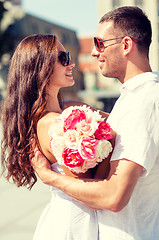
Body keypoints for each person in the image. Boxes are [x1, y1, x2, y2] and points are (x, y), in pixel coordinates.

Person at [32, 6, 159, 240]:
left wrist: (50, 177)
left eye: (100, 43)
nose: (92, 52)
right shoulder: (131, 98)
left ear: (126, 45)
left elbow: (113, 197)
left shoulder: (143, 102)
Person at [1, 34, 114, 240]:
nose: (71, 63)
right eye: (63, 58)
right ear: (40, 67)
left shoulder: (70, 109)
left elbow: (120, 119)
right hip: (75, 224)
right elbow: (89, 195)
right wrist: (111, 144)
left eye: (68, 56)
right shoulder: (52, 124)